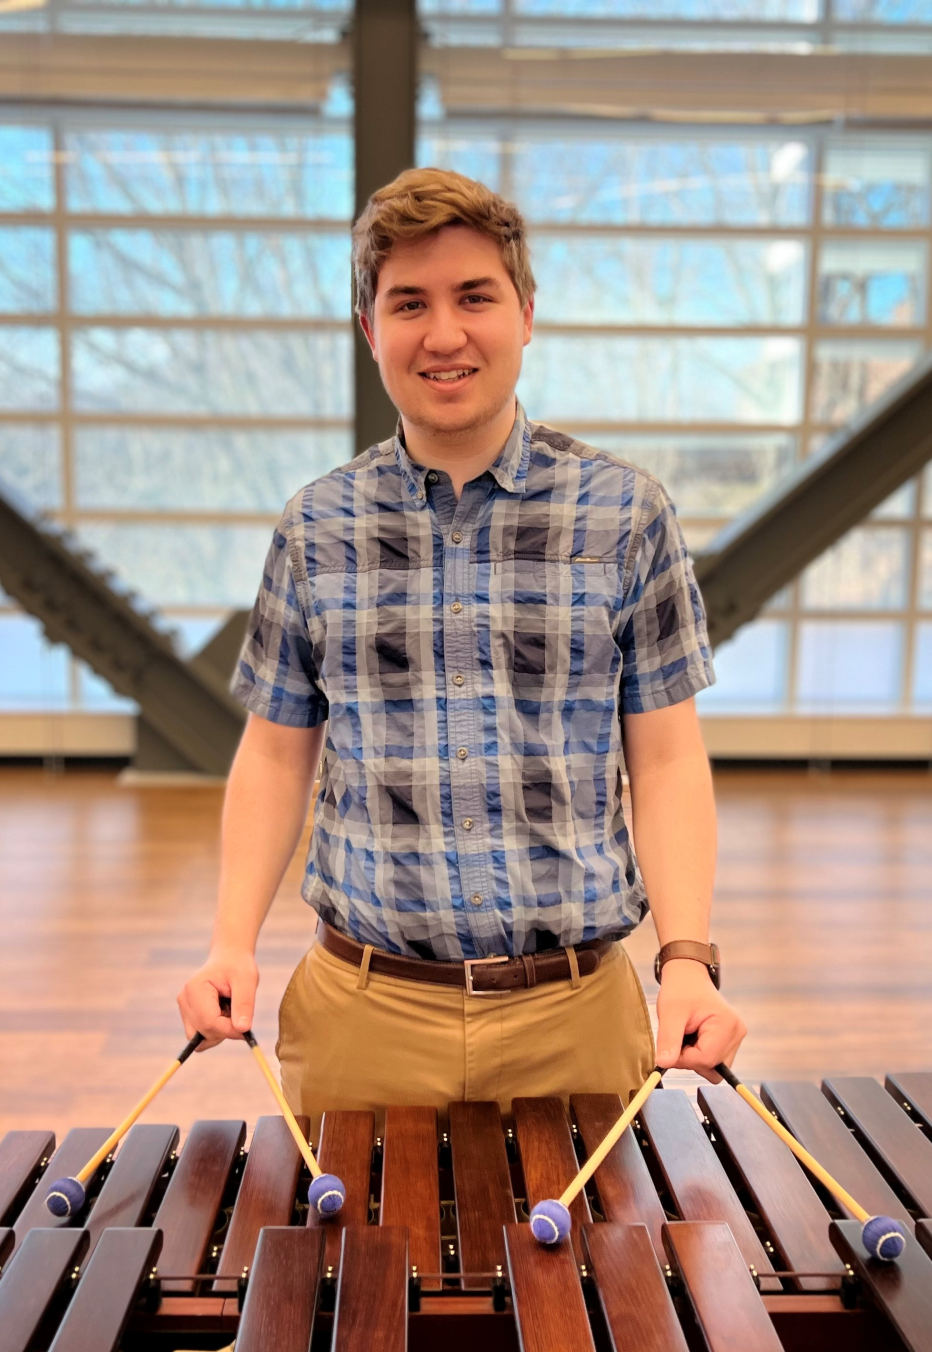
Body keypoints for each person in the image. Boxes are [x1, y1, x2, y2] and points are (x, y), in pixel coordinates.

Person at [176, 166, 746, 1119]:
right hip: (363, 1015)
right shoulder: (315, 528)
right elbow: (275, 755)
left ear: (526, 313)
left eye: (474, 296)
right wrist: (231, 943)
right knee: (346, 1272)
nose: (444, 334)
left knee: (596, 1273)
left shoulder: (627, 514)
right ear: (371, 333)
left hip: (578, 1011)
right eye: (409, 304)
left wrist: (687, 956)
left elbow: (670, 756)